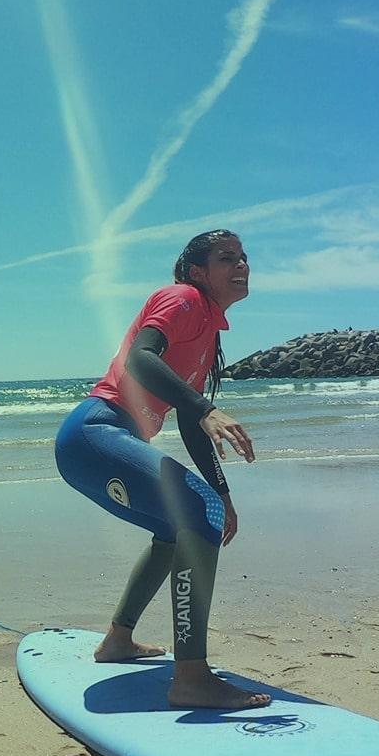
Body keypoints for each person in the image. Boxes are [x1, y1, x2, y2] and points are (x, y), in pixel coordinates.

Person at [54, 230, 268, 709]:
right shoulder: (182, 298)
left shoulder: (208, 330)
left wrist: (222, 495)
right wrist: (206, 409)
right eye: (227, 258)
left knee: (180, 527)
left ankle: (118, 641)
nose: (242, 265)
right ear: (197, 272)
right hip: (95, 433)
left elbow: (191, 421)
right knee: (196, 512)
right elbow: (140, 358)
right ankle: (191, 678)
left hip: (107, 441)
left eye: (243, 257)